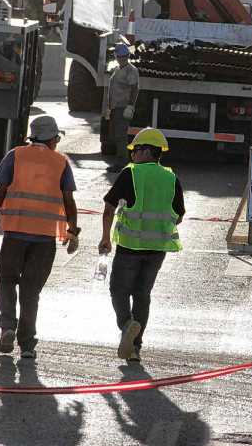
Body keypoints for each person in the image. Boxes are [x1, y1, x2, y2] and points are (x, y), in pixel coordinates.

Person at [0, 116, 80, 360]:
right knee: (30, 291)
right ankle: (26, 345)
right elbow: (68, 199)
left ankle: (7, 327)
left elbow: (0, 190)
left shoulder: (16, 155)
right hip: (45, 238)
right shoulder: (60, 162)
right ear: (54, 139)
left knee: (6, 281)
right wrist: (73, 230)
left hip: (15, 233)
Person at [98, 128, 185, 362]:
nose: (132, 155)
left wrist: (105, 238)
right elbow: (178, 215)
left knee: (118, 290)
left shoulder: (131, 174)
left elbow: (108, 209)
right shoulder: (171, 177)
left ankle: (127, 326)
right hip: (157, 250)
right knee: (142, 295)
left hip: (129, 247)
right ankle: (135, 348)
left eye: (135, 150)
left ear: (146, 151)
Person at [103, 43, 140, 173]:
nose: (121, 58)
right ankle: (120, 161)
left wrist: (130, 106)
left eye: (123, 56)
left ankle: (121, 163)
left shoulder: (131, 70)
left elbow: (135, 89)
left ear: (127, 56)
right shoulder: (118, 69)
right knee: (115, 136)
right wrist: (109, 108)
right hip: (115, 107)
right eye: (119, 56)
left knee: (120, 136)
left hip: (123, 107)